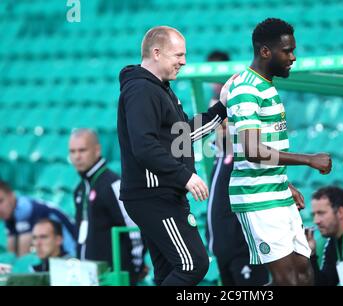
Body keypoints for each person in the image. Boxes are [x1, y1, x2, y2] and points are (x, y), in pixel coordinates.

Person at [117, 26, 235, 286]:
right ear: (157, 53)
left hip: (159, 194)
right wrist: (185, 177)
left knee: (168, 271)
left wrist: (221, 109)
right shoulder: (141, 90)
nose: (184, 61)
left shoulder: (160, 88)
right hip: (153, 196)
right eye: (178, 55)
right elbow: (144, 147)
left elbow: (181, 136)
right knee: (193, 264)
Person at [226, 18, 332, 286]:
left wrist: (284, 181)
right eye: (287, 51)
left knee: (304, 274)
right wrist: (308, 160)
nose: (293, 57)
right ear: (265, 51)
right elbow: (252, 150)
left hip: (276, 191)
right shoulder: (246, 88)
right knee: (288, 280)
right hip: (257, 197)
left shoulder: (266, 86)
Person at [205, 50, 269, 285]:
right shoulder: (221, 158)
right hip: (223, 251)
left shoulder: (244, 157)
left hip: (244, 251)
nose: (219, 126)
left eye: (224, 120)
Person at [69, 128, 145, 285]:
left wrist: (133, 270)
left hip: (114, 278)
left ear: (97, 150)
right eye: (72, 151)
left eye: (82, 150)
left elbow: (135, 230)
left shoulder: (113, 184)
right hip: (88, 279)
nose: (77, 156)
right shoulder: (80, 189)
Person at [0, 181, 76, 257]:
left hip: (71, 251)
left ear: (12, 196)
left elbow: (23, 256)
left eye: (1, 201)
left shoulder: (24, 207)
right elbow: (11, 253)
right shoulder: (10, 213)